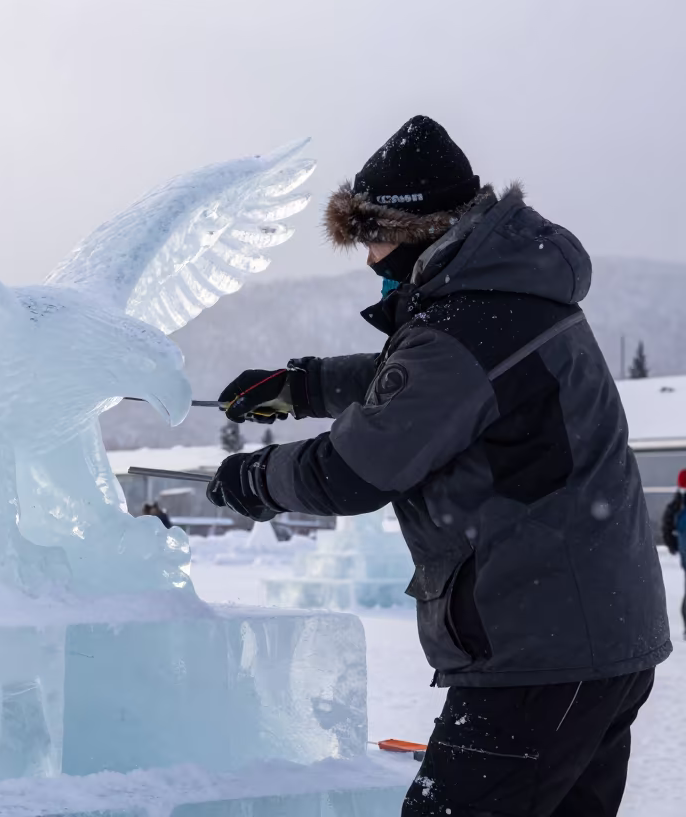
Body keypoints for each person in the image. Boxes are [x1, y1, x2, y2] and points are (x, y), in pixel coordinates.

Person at [205, 116, 670, 817]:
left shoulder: (465, 325)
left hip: (538, 652)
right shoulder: (504, 301)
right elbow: (418, 382)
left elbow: (355, 470)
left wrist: (256, 478)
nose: (367, 258)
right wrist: (300, 387)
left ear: (417, 229)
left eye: (371, 236)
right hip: (596, 638)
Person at [662, 469, 686, 632]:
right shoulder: (678, 504)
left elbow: (667, 525)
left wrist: (673, 546)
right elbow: (667, 525)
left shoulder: (677, 503)